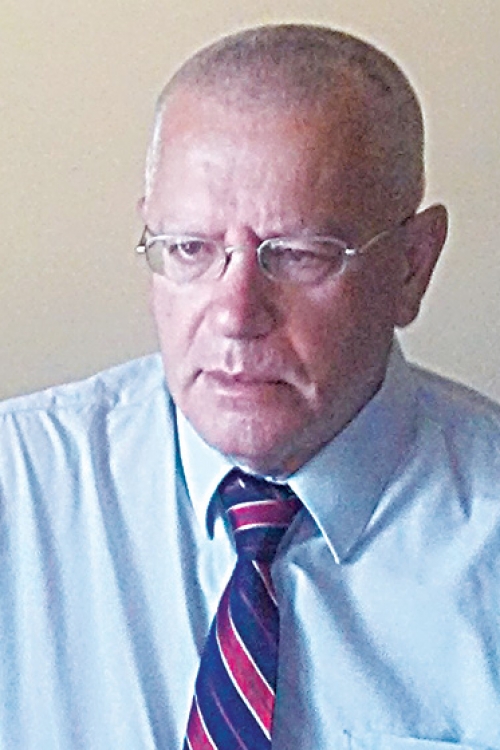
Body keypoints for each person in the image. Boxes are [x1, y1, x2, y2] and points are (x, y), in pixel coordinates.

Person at [1, 23, 500, 750]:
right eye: (190, 249)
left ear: (411, 266)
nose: (236, 314)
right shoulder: (19, 488)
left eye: (297, 254)